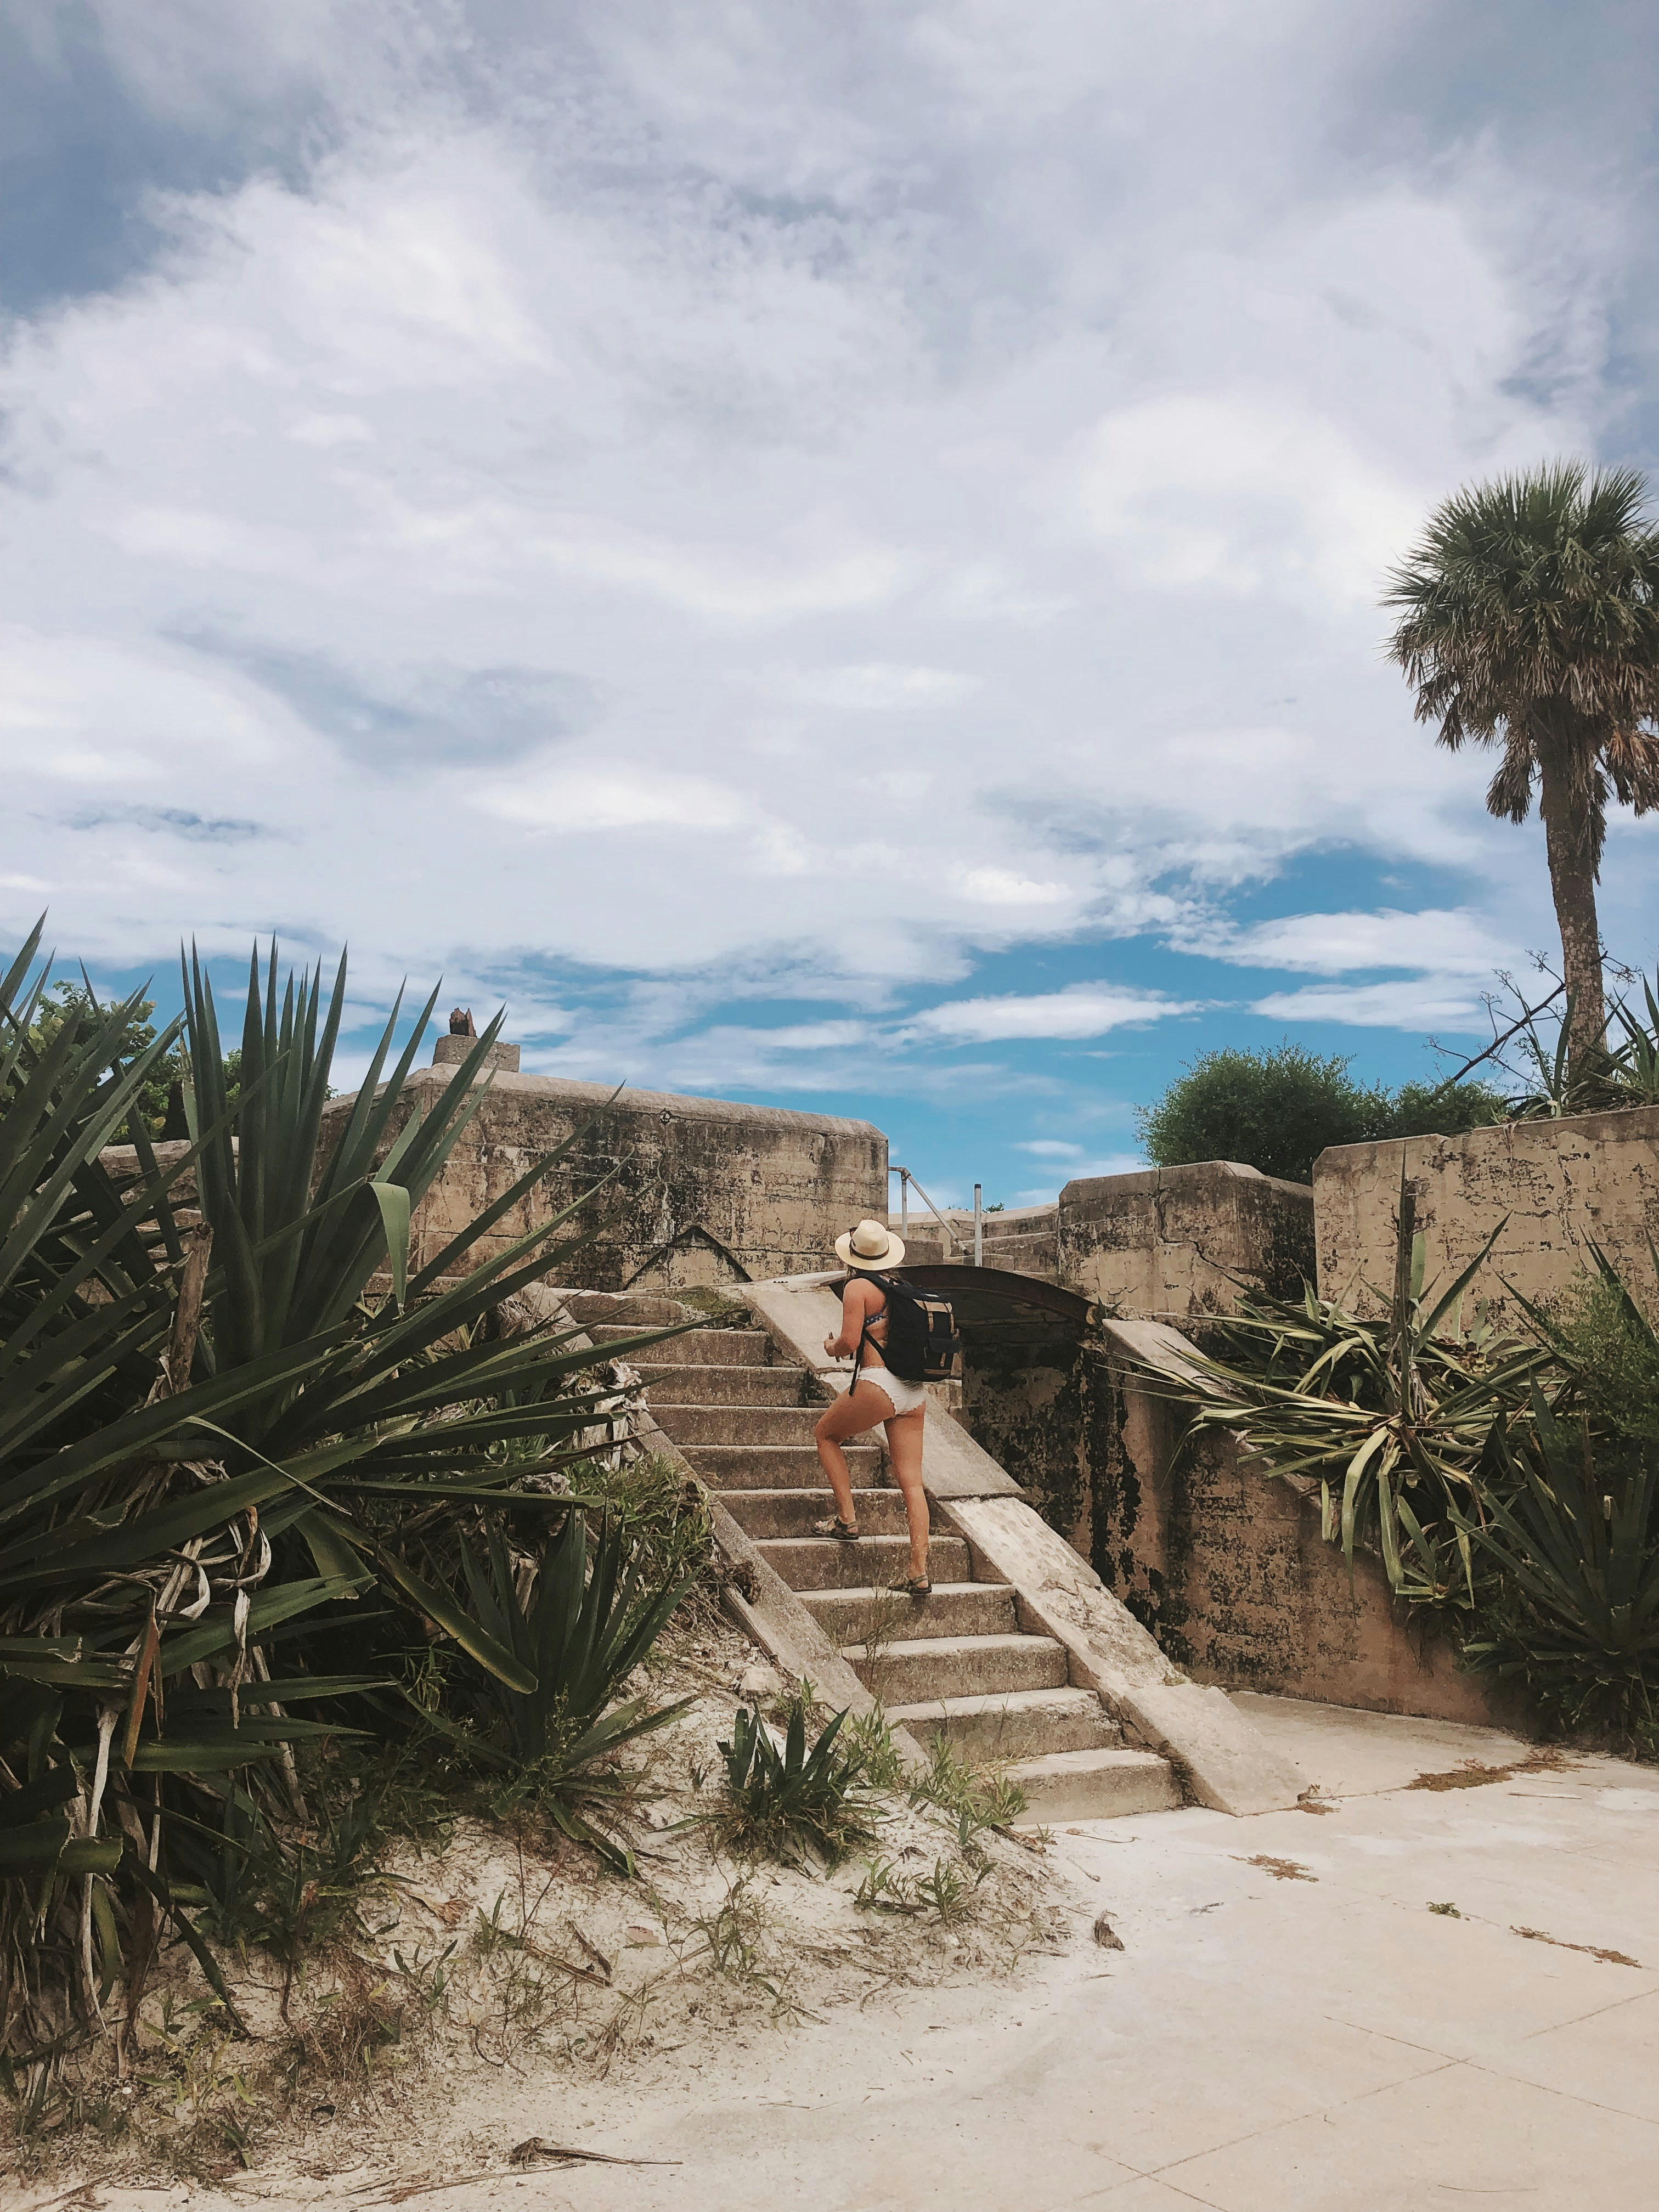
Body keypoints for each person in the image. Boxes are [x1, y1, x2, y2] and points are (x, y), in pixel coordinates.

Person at [812, 1218, 932, 1598]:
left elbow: (849, 1343)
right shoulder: (902, 1287)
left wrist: (831, 1347)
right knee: (912, 1482)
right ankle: (918, 1572)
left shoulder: (858, 1287)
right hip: (914, 1391)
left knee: (826, 1435)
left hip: (880, 1383)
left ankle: (846, 1519)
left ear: (853, 1256)